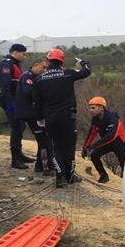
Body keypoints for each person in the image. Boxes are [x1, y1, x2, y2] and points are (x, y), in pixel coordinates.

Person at [33, 49, 91, 188]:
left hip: (51, 119)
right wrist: (83, 63)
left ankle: (60, 178)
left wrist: (39, 118)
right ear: (62, 61)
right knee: (69, 147)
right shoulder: (68, 74)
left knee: (56, 147)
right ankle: (70, 176)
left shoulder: (39, 79)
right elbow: (86, 71)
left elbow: (37, 102)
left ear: (48, 61)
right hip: (68, 118)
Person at [14, 59, 55, 174]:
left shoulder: (35, 77)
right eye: (43, 67)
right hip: (30, 114)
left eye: (46, 68)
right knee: (44, 141)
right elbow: (28, 92)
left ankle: (40, 166)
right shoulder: (27, 76)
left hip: (34, 113)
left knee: (44, 140)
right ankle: (46, 167)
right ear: (35, 65)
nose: (44, 70)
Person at [0, 43, 34, 169]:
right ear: (15, 52)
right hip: (10, 102)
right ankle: (15, 160)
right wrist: (11, 105)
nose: (25, 56)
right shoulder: (6, 64)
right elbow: (5, 87)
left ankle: (20, 155)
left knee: (21, 126)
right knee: (17, 128)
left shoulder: (15, 64)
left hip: (17, 101)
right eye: (23, 54)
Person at [81, 97, 125, 183]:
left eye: (93, 108)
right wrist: (85, 147)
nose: (91, 110)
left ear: (101, 108)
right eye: (90, 108)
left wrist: (94, 146)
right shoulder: (95, 119)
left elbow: (112, 136)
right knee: (94, 155)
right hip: (106, 142)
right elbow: (92, 133)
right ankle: (103, 175)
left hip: (120, 142)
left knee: (124, 164)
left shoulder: (112, 118)